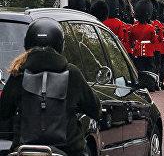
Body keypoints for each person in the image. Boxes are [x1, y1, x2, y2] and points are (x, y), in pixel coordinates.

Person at [0, 18, 100, 155]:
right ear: (60, 44)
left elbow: (4, 111)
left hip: (24, 150)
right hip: (68, 150)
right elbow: (95, 109)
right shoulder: (72, 73)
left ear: (27, 43)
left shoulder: (18, 73)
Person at [130, 0, 158, 74]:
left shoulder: (133, 27)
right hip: (149, 53)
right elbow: (154, 41)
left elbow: (131, 41)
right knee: (150, 72)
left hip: (137, 52)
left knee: (139, 72)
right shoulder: (151, 27)